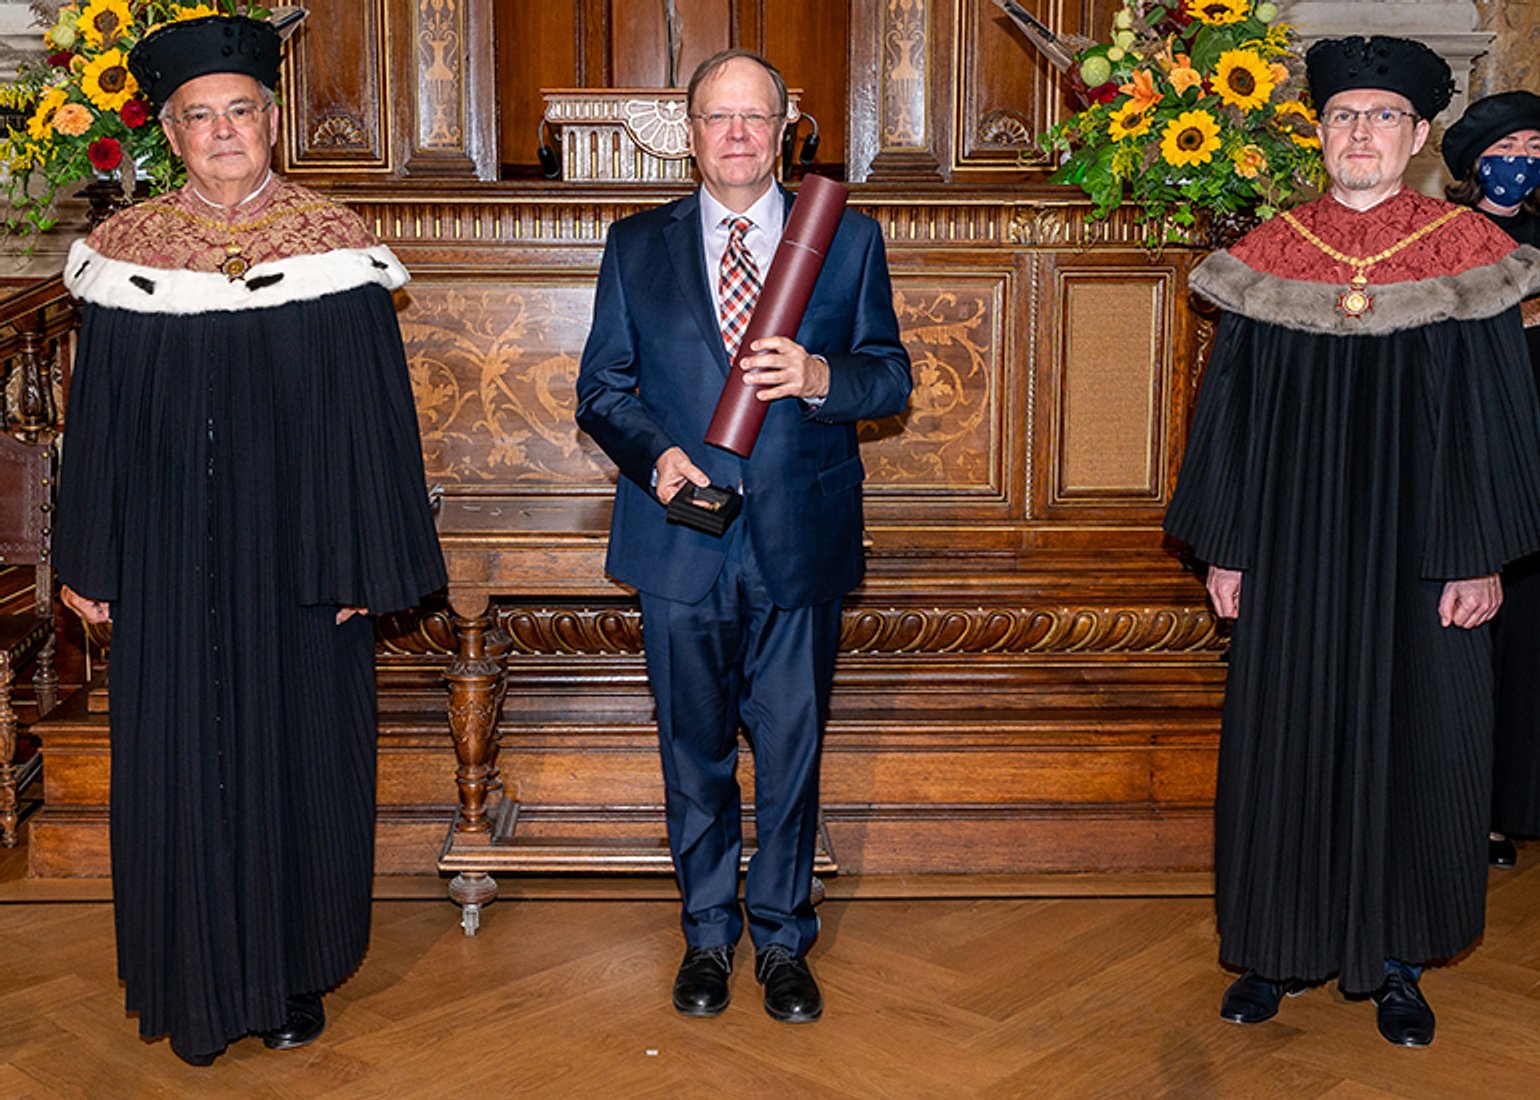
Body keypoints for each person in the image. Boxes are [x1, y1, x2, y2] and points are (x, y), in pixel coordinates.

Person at [54, 14, 446, 1065]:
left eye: (239, 111)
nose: (222, 132)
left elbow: (377, 418)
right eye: (199, 118)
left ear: (271, 121)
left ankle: (284, 976)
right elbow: (93, 420)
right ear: (170, 136)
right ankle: (191, 980)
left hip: (304, 555)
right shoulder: (126, 251)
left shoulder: (333, 240)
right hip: (165, 555)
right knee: (177, 763)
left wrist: (373, 560)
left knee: (297, 759)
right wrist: (87, 558)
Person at [1165, 36, 1540, 1048]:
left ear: (1417, 137)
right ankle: (1274, 948)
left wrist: (1479, 553)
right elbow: (1227, 416)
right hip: (1292, 550)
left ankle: (1397, 962)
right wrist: (1228, 546)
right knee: (1286, 739)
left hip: (1424, 555)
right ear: (1317, 131)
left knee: (1419, 742)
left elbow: (1500, 417)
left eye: (1380, 117)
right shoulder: (1267, 255)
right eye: (1342, 116)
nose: (1359, 133)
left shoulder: (1469, 255)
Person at [574, 49, 911, 1024]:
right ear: (689, 133)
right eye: (718, 117)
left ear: (785, 128)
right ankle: (708, 936)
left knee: (794, 749)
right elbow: (602, 389)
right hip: (679, 537)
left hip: (799, 534)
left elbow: (886, 375)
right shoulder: (637, 244)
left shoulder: (843, 240)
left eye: (754, 117)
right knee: (693, 752)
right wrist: (655, 455)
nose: (736, 134)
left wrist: (817, 377)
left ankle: (782, 938)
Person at [1442, 91, 1540, 872]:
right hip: (1475, 455)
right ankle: (1474, 810)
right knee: (1481, 637)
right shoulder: (1451, 240)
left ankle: (1523, 798)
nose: (1522, 160)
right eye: (1509, 145)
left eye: (1536, 145)